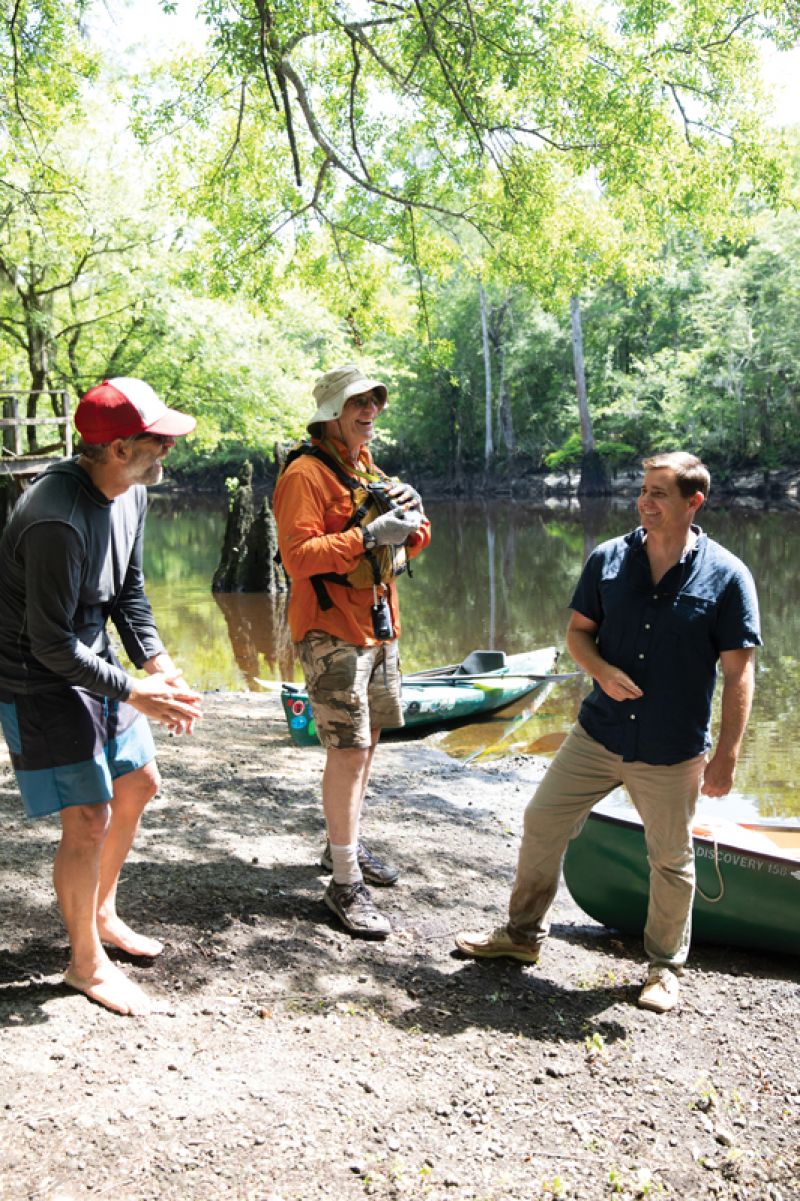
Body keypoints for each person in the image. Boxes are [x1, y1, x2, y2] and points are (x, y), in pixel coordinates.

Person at [456, 452, 761, 1013]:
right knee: (542, 819)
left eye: (659, 494)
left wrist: (727, 756)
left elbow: (740, 672)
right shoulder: (608, 559)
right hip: (597, 736)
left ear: (694, 502)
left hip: (670, 750)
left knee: (670, 859)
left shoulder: (728, 576)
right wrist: (599, 669)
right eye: (643, 491)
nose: (644, 502)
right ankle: (522, 936)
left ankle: (665, 968)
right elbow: (578, 634)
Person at [0, 377, 203, 1016]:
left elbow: (128, 593)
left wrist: (158, 667)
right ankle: (84, 964)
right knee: (88, 817)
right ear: (117, 449)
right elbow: (50, 646)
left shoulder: (129, 493)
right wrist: (137, 692)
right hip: (36, 677)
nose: (166, 450)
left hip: (89, 660)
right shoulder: (54, 519)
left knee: (138, 783)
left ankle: (103, 913)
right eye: (156, 440)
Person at [272, 363, 430, 938]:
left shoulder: (364, 468)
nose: (368, 412)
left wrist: (413, 517)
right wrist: (368, 535)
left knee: (368, 747)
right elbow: (298, 557)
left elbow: (412, 539)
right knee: (348, 751)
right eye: (356, 404)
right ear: (330, 414)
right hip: (329, 632)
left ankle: (344, 846)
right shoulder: (306, 475)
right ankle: (343, 883)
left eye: (374, 404)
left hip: (379, 627)